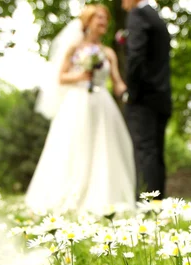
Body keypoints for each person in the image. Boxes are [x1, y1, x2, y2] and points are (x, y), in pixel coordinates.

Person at [25, 5, 136, 214]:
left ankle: (102, 196)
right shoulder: (74, 49)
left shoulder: (108, 52)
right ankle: (70, 194)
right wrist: (80, 76)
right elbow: (61, 77)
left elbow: (117, 81)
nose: (104, 22)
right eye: (99, 18)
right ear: (88, 22)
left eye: (106, 19)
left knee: (103, 147)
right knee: (74, 146)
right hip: (77, 102)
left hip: (102, 103)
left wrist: (129, 92)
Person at [122, 0, 172, 200]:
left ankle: (147, 207)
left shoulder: (138, 15)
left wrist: (131, 93)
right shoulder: (157, 18)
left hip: (143, 98)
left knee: (144, 153)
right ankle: (158, 204)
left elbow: (135, 57)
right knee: (156, 154)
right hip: (163, 97)